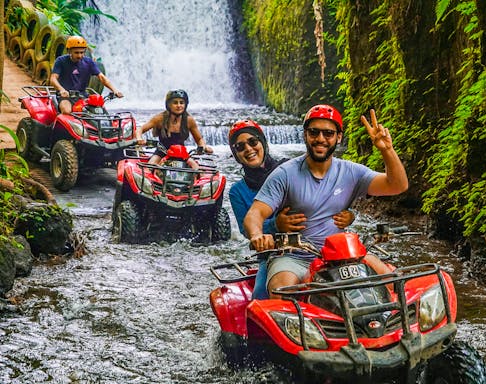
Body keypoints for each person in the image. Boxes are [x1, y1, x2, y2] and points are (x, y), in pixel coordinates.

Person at [244, 105, 409, 298]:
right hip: (294, 256)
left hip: (342, 254)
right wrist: (257, 235)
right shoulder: (285, 174)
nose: (320, 139)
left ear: (338, 137)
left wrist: (387, 150)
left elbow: (396, 186)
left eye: (328, 133)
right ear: (305, 135)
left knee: (392, 283)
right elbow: (255, 213)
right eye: (314, 132)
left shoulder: (352, 172)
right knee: (281, 291)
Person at [228, 119, 354, 299]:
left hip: (318, 245)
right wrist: (275, 226)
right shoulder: (237, 192)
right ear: (235, 154)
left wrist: (349, 215)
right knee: (261, 295)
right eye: (240, 147)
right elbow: (245, 230)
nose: (248, 149)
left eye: (253, 142)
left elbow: (325, 196)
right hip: (275, 253)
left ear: (262, 142)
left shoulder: (290, 169)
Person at [135, 89, 213, 169]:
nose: (179, 105)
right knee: (149, 169)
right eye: (175, 103)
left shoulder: (189, 120)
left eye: (181, 103)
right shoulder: (159, 118)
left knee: (198, 171)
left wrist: (204, 147)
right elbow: (140, 129)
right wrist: (139, 138)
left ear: (185, 105)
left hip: (181, 153)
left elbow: (199, 139)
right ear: (169, 105)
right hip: (161, 152)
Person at [50, 35, 123, 115]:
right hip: (65, 96)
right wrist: (61, 90)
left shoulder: (88, 62)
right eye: (76, 53)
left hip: (83, 95)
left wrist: (115, 90)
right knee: (66, 111)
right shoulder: (61, 61)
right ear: (69, 51)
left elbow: (101, 77)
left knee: (101, 111)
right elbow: (53, 78)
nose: (79, 55)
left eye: (82, 52)